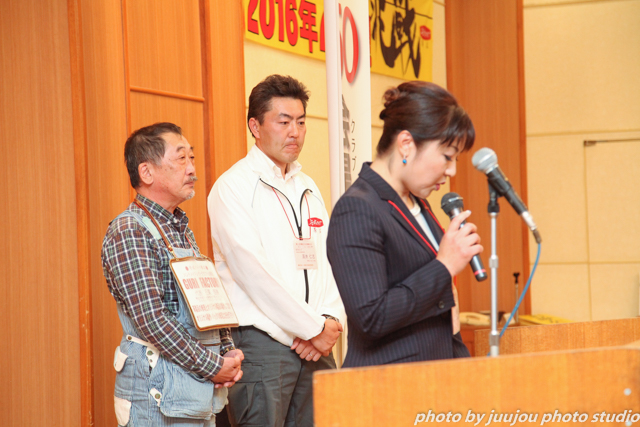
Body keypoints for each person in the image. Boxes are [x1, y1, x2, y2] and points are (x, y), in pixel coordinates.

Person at [207, 75, 345, 427]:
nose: (294, 132)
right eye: (283, 122)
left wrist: (330, 320)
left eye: (301, 122)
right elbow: (253, 273)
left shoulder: (307, 186)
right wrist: (311, 328)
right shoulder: (233, 187)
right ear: (255, 126)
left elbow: (329, 260)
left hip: (315, 345)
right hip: (264, 344)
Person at [326, 81, 482, 368]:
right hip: (387, 383)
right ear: (406, 144)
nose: (452, 170)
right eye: (447, 156)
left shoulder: (417, 203)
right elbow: (371, 318)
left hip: (437, 377)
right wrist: (444, 266)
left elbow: (446, 312)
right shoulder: (357, 208)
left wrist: (463, 367)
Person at [102, 122, 243, 426]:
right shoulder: (129, 230)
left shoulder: (181, 229)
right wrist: (213, 366)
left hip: (194, 392)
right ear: (146, 172)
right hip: (156, 395)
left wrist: (227, 351)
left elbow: (206, 303)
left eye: (192, 158)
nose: (192, 169)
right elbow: (152, 320)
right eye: (181, 159)